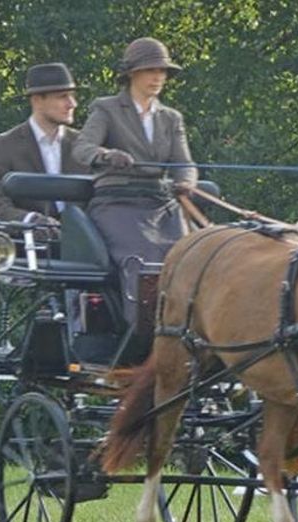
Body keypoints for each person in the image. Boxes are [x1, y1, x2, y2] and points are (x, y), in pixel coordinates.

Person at [73, 37, 197, 326]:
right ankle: (145, 329)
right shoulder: (107, 109)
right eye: (151, 70)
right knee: (143, 260)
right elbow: (82, 148)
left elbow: (184, 163)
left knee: (190, 255)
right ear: (131, 73)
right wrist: (106, 155)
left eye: (162, 71)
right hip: (117, 203)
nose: (158, 77)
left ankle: (188, 328)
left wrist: (186, 182)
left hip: (161, 204)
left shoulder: (171, 118)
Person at [0, 62, 86, 225]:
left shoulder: (84, 144)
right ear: (37, 100)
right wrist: (30, 220)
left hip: (82, 236)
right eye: (62, 96)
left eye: (72, 96)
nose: (72, 104)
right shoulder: (5, 145)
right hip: (27, 237)